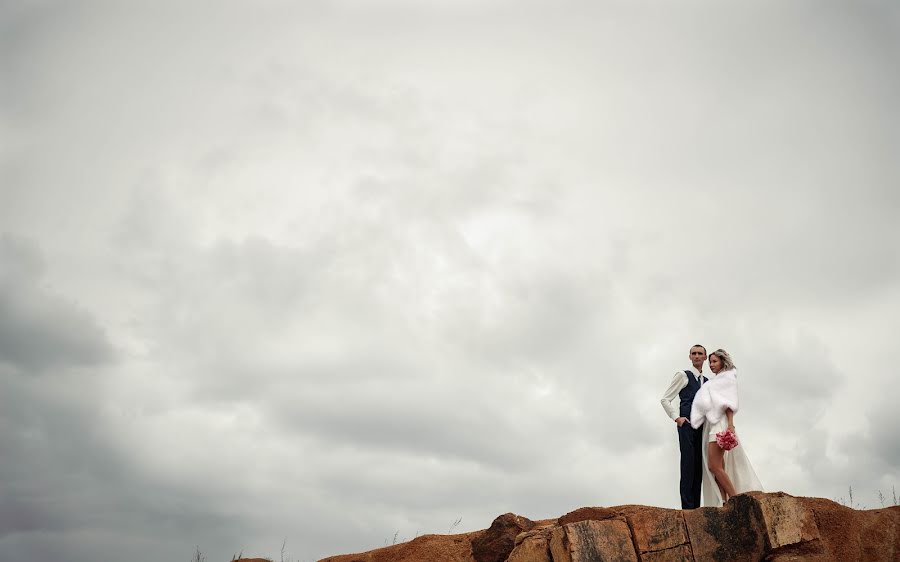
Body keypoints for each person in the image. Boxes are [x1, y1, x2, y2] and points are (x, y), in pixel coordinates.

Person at [689, 349, 763, 506]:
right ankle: (724, 500)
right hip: (712, 424)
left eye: (714, 361)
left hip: (719, 425)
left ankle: (735, 498)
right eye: (710, 362)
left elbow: (729, 406)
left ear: (722, 362)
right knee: (719, 466)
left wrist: (730, 425)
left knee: (713, 465)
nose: (711, 364)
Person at [660, 344, 708, 509]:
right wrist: (677, 418)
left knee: (699, 466)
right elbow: (665, 399)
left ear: (705, 357)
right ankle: (687, 508)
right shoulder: (683, 375)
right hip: (686, 425)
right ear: (690, 357)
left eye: (699, 353)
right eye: (693, 353)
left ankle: (695, 507)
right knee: (688, 464)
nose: (696, 356)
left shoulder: (707, 382)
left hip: (703, 427)